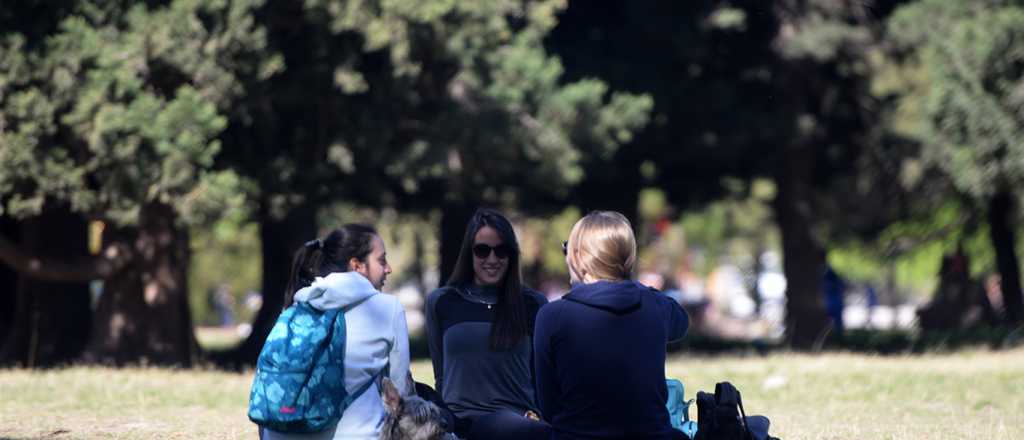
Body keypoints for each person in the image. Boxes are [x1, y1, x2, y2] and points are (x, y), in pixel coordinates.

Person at [534, 211, 689, 440]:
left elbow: (547, 405)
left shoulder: (552, 316)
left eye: (567, 248)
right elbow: (682, 323)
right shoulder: (656, 305)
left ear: (579, 258)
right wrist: (629, 282)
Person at [262, 224, 412, 440]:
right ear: (357, 265)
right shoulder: (388, 308)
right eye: (381, 260)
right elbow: (400, 395)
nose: (388, 268)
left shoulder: (300, 302)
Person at [425, 208, 549, 439]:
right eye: (482, 251)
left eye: (501, 251)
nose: (492, 259)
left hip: (518, 428)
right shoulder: (442, 301)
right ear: (469, 254)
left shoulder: (533, 304)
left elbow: (542, 377)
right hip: (460, 428)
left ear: (511, 255)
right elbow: (441, 375)